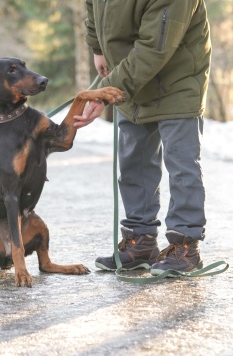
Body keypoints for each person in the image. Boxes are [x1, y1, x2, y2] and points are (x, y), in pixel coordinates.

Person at [73, 0, 211, 276]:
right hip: (130, 79)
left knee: (182, 165)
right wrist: (97, 47)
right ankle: (141, 242)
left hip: (177, 80)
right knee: (134, 161)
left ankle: (186, 248)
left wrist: (106, 90)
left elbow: (154, 48)